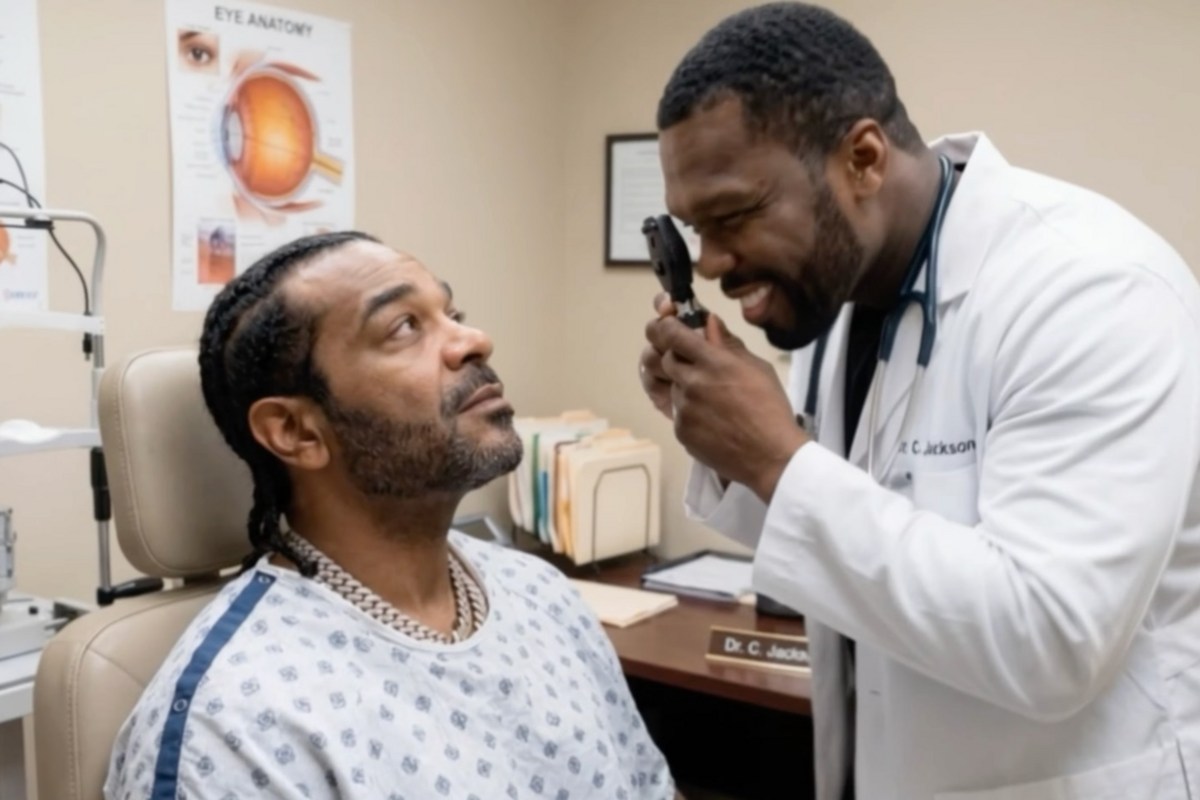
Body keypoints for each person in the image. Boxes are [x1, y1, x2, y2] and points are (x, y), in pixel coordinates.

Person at [639, 3, 1200, 799]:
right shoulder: (840, 302)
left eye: (734, 216)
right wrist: (733, 448)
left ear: (863, 160)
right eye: (694, 229)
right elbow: (859, 547)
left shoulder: (1094, 290)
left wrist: (777, 458)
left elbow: (1053, 641)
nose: (709, 263)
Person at [106, 231, 675, 799]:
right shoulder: (234, 727)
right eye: (404, 326)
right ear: (296, 431)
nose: (475, 341)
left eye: (453, 314)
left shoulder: (542, 593)